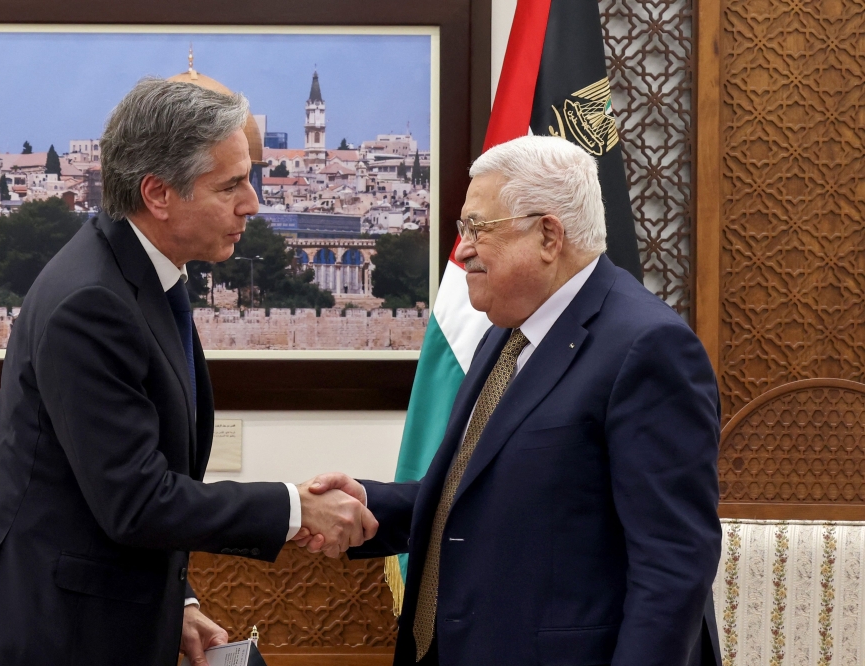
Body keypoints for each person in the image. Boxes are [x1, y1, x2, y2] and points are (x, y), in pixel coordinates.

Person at [0, 79, 376, 666]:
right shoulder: (92, 302)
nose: (252, 203)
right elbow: (134, 500)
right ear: (158, 193)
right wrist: (294, 508)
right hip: (35, 635)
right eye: (230, 185)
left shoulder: (139, 276)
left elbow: (111, 485)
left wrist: (175, 599)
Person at [301, 135, 723, 666]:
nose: (462, 250)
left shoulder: (648, 348)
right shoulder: (505, 331)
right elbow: (480, 498)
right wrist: (365, 502)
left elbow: (673, 563)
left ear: (549, 234)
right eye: (462, 229)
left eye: (478, 228)